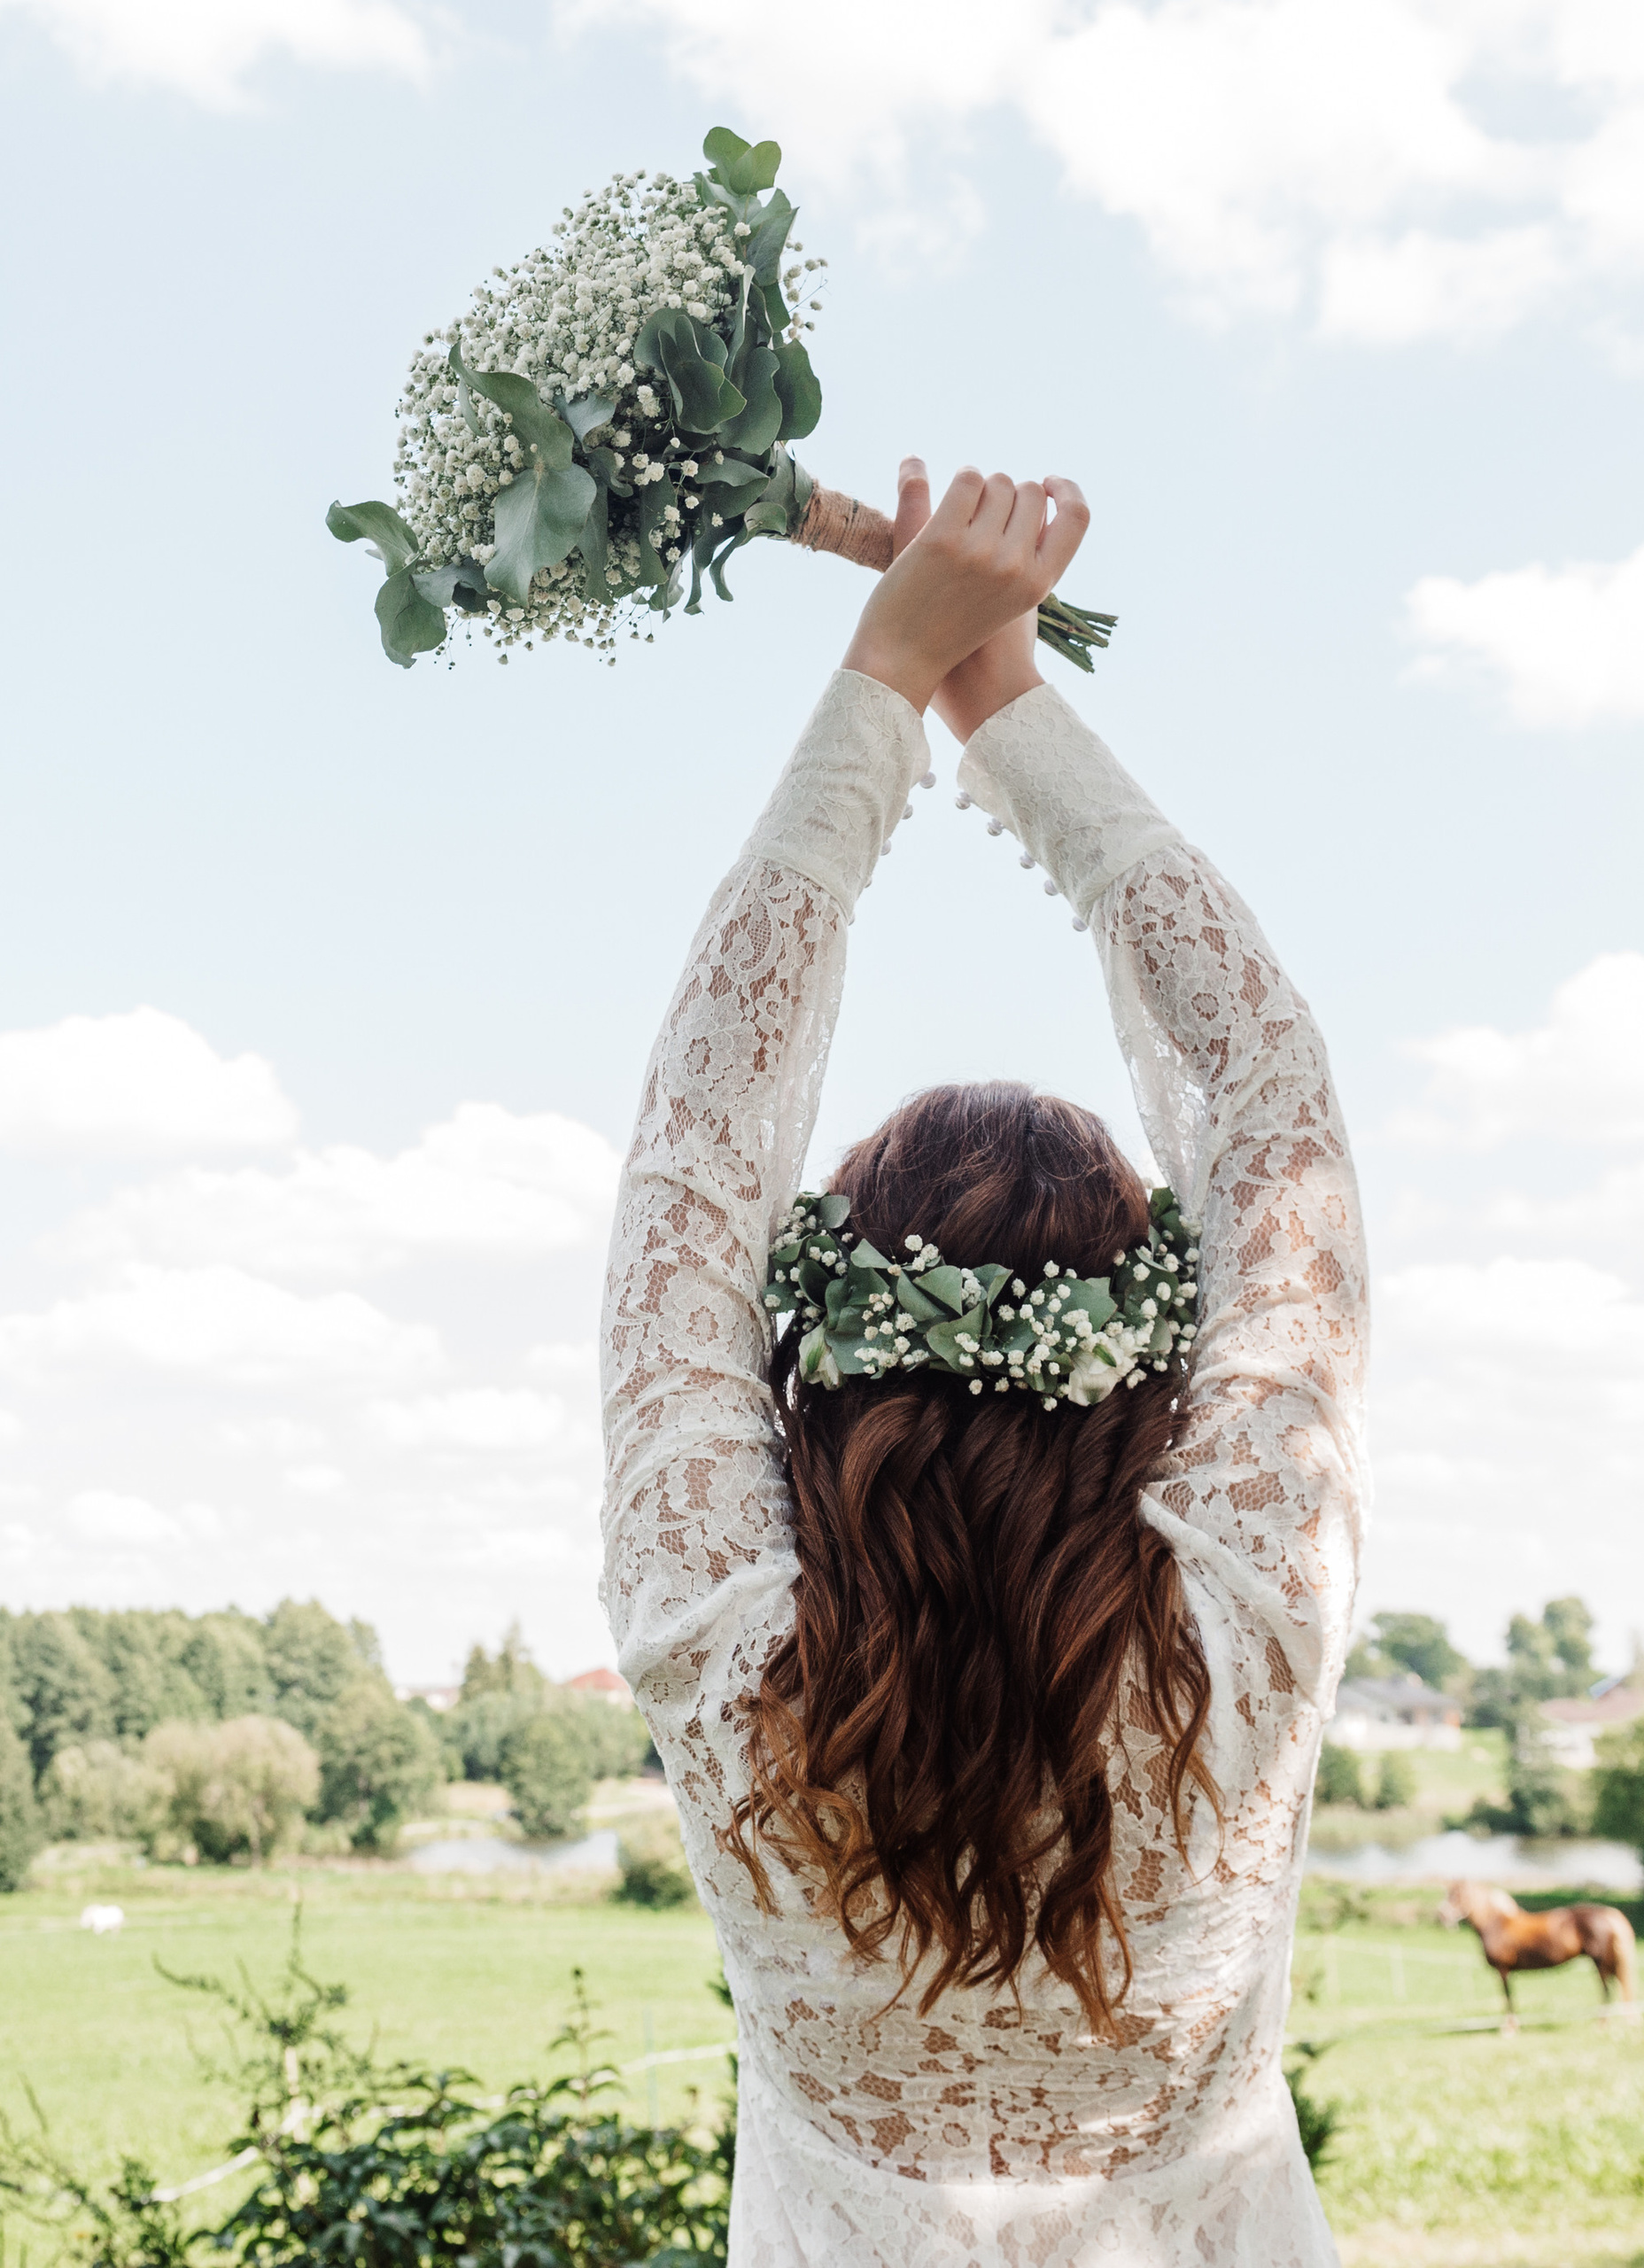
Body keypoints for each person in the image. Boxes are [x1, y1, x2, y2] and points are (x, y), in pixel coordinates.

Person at [600, 460, 1366, 2265]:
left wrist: (884, 670)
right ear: (1143, 1348)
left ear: (821, 1340)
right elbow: (1274, 1114)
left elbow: (688, 1168)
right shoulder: (1250, 1597)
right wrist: (992, 696)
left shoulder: (712, 1620)